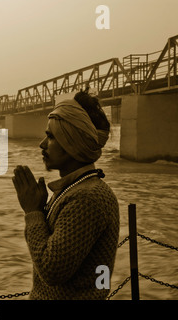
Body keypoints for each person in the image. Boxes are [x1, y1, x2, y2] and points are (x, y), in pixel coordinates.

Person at [12, 88, 120, 300]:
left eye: (51, 137)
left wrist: (33, 212)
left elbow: (52, 270)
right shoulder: (76, 189)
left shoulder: (87, 198)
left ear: (73, 143)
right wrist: (42, 210)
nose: (42, 144)